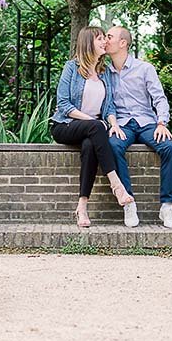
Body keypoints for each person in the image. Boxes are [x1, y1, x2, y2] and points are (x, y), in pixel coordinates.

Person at [50, 26, 135, 227]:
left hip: (93, 130)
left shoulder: (104, 72)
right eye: (100, 38)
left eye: (105, 38)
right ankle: (117, 185)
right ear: (88, 43)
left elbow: (109, 107)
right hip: (66, 125)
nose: (105, 41)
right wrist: (92, 121)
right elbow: (64, 105)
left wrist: (113, 124)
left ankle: (82, 207)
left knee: (90, 146)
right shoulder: (72, 67)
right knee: (97, 127)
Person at [104, 26, 172, 228]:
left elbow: (159, 98)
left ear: (123, 43)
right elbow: (106, 103)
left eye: (109, 37)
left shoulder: (145, 69)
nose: (105, 40)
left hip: (147, 123)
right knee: (113, 145)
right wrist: (112, 124)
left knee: (169, 147)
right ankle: (128, 203)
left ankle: (167, 206)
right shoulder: (104, 73)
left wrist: (162, 122)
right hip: (122, 125)